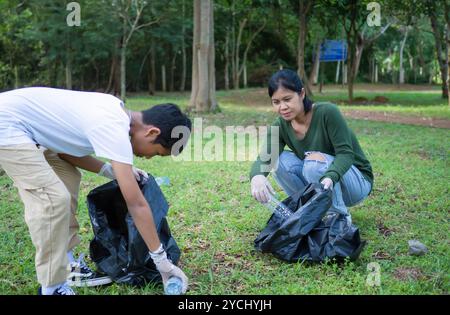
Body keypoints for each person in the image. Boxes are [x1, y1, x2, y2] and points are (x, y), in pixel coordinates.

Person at [0, 87, 191, 295]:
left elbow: (65, 150)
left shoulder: (114, 111)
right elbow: (136, 203)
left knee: (68, 176)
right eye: (156, 153)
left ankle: (66, 263)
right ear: (152, 132)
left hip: (27, 127)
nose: (149, 158)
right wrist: (161, 261)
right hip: (8, 124)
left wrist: (111, 171)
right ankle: (52, 287)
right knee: (53, 200)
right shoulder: (114, 125)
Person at [250, 69, 373, 223]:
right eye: (276, 102)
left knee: (313, 162)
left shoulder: (327, 112)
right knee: (276, 160)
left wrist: (331, 176)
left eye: (287, 99)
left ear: (301, 94)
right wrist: (257, 176)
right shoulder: (280, 125)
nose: (282, 107)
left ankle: (338, 221)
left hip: (355, 183)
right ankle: (308, 212)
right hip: (320, 179)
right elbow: (265, 157)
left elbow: (346, 154)